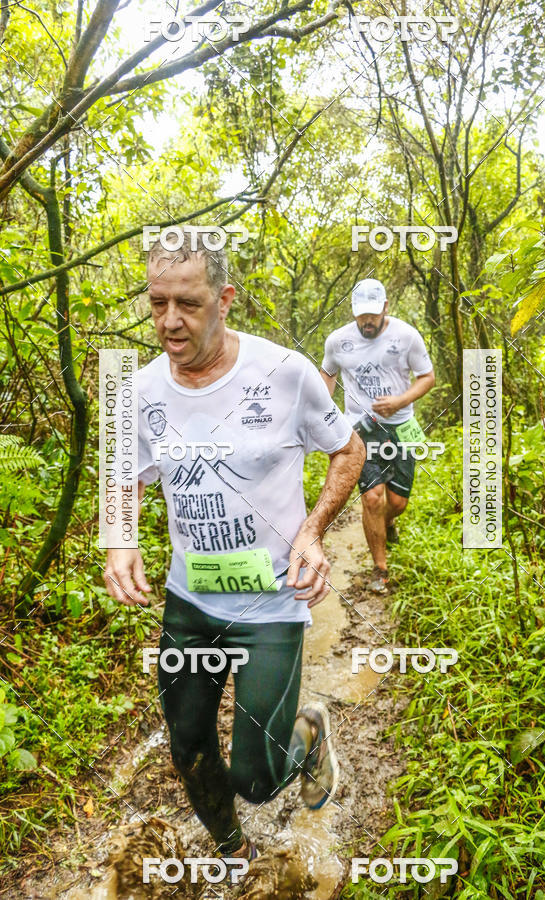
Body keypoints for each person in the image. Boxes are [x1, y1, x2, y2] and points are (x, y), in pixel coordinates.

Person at [103, 232, 365, 873]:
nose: (169, 320)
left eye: (188, 304)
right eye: (157, 301)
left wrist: (311, 531)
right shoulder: (136, 392)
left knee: (254, 777)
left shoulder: (285, 374)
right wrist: (120, 538)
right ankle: (233, 854)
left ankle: (307, 735)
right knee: (189, 746)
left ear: (225, 299)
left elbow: (348, 450)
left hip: (272, 603)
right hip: (190, 602)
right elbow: (122, 474)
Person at [320, 278, 435, 593]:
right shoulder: (337, 341)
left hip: (402, 425)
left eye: (372, 314)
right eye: (361, 314)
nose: (366, 321)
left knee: (397, 502)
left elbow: (427, 377)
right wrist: (321, 409)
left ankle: (390, 523)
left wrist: (400, 401)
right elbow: (327, 375)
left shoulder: (407, 336)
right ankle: (379, 569)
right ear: (354, 311)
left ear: (386, 307)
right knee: (373, 498)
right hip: (361, 427)